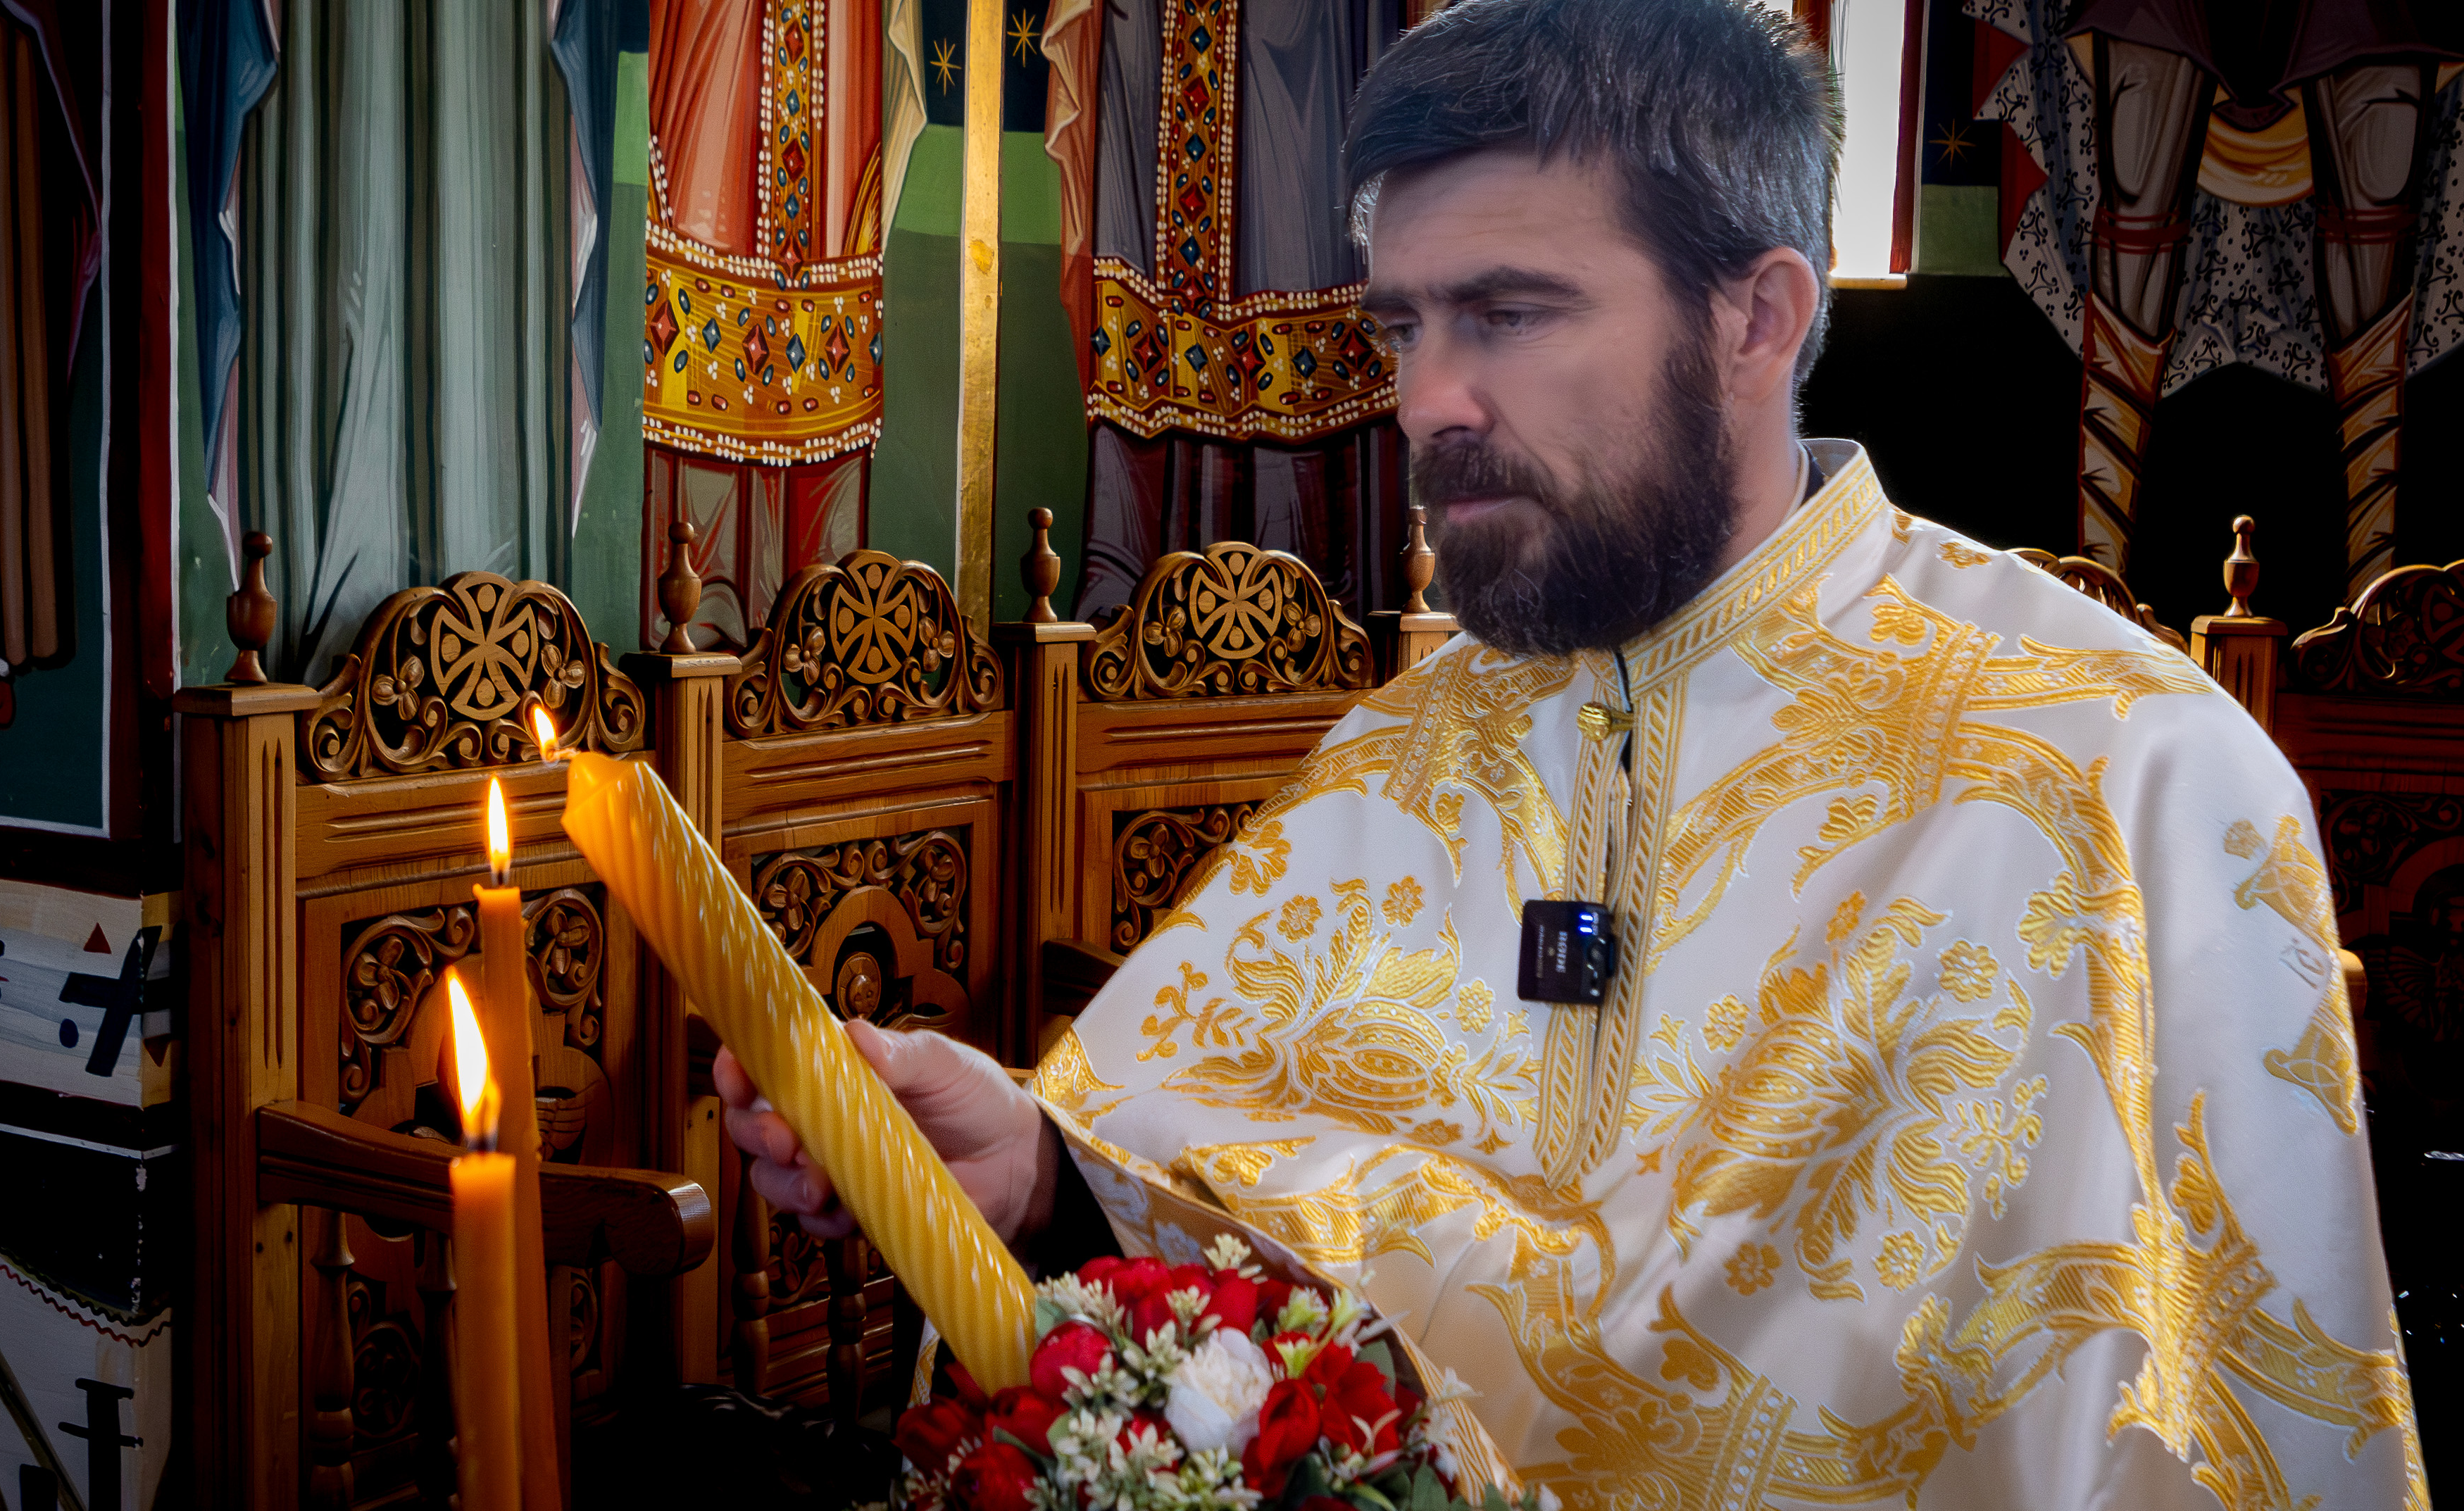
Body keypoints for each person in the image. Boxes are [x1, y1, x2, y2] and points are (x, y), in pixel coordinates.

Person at [718, 1, 2425, 1503]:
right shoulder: (1404, 749)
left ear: (1754, 317)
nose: (1425, 401)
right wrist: (1036, 1168)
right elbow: (1211, 1166)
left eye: (1508, 314)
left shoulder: (2123, 776)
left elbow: (2228, 1428)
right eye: (1404, 328)